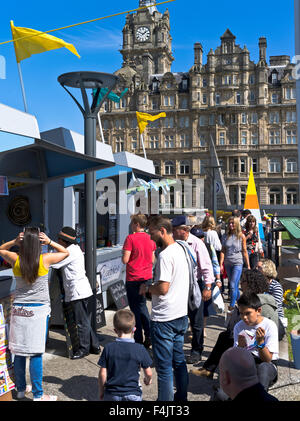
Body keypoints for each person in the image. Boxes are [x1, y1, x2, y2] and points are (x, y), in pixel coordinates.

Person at [0, 228, 69, 401]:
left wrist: (14, 242)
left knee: (20, 351)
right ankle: (38, 395)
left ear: (22, 243)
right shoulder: (45, 259)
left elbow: (1, 250)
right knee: (36, 353)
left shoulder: (16, 259)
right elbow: (66, 252)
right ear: (39, 243)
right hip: (38, 312)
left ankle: (21, 390)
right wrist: (50, 241)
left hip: (19, 311)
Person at [190, 269, 278, 379]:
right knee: (225, 336)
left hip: (259, 343)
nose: (241, 283)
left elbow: (238, 327)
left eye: (244, 281)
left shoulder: (256, 303)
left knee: (225, 337)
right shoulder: (257, 298)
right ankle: (209, 369)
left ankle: (210, 369)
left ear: (252, 283)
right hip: (252, 340)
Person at [139, 216, 190, 401]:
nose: (150, 237)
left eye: (152, 232)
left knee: (164, 368)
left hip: (165, 319)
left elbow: (163, 288)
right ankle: (182, 398)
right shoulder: (181, 249)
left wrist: (147, 289)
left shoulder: (166, 255)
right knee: (179, 362)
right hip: (180, 315)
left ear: (162, 231)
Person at [51, 226, 100, 359]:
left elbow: (54, 264)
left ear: (64, 241)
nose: (58, 241)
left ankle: (84, 349)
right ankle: (95, 346)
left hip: (78, 291)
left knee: (81, 322)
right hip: (80, 290)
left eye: (59, 239)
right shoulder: (72, 249)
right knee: (84, 320)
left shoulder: (70, 251)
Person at [171, 215, 215, 365]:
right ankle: (176, 349)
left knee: (196, 321)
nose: (172, 232)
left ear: (183, 230)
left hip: (194, 285)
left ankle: (197, 350)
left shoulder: (196, 243)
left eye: (174, 230)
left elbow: (206, 266)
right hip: (178, 285)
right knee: (178, 318)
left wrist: (208, 287)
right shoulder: (173, 243)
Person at [98, 309, 152, 401]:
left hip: (112, 393)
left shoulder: (108, 348)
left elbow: (102, 373)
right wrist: (148, 380)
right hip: (133, 393)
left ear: (115, 330)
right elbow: (149, 372)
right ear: (134, 330)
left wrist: (102, 391)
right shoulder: (140, 349)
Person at [122, 214, 156, 348]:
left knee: (135, 309)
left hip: (133, 277)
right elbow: (153, 259)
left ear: (137, 224)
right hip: (146, 277)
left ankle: (138, 339)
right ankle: (149, 334)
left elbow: (125, 259)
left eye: (132, 223)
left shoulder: (130, 238)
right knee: (142, 307)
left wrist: (124, 254)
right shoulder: (150, 238)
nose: (131, 225)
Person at [234, 292, 279, 391]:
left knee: (263, 368)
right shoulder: (239, 326)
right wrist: (240, 348)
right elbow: (237, 359)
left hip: (267, 365)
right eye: (241, 313)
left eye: (248, 313)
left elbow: (267, 360)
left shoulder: (269, 326)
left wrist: (261, 343)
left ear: (258, 310)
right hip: (248, 363)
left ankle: (260, 395)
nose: (244, 317)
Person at [219, 216, 250, 310]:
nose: (231, 225)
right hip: (228, 263)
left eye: (233, 223)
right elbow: (223, 250)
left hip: (238, 262)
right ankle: (241, 302)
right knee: (234, 286)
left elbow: (244, 251)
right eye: (230, 223)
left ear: (237, 224)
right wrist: (221, 264)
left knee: (232, 284)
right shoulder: (225, 236)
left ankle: (232, 306)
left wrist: (248, 265)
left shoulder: (241, 236)